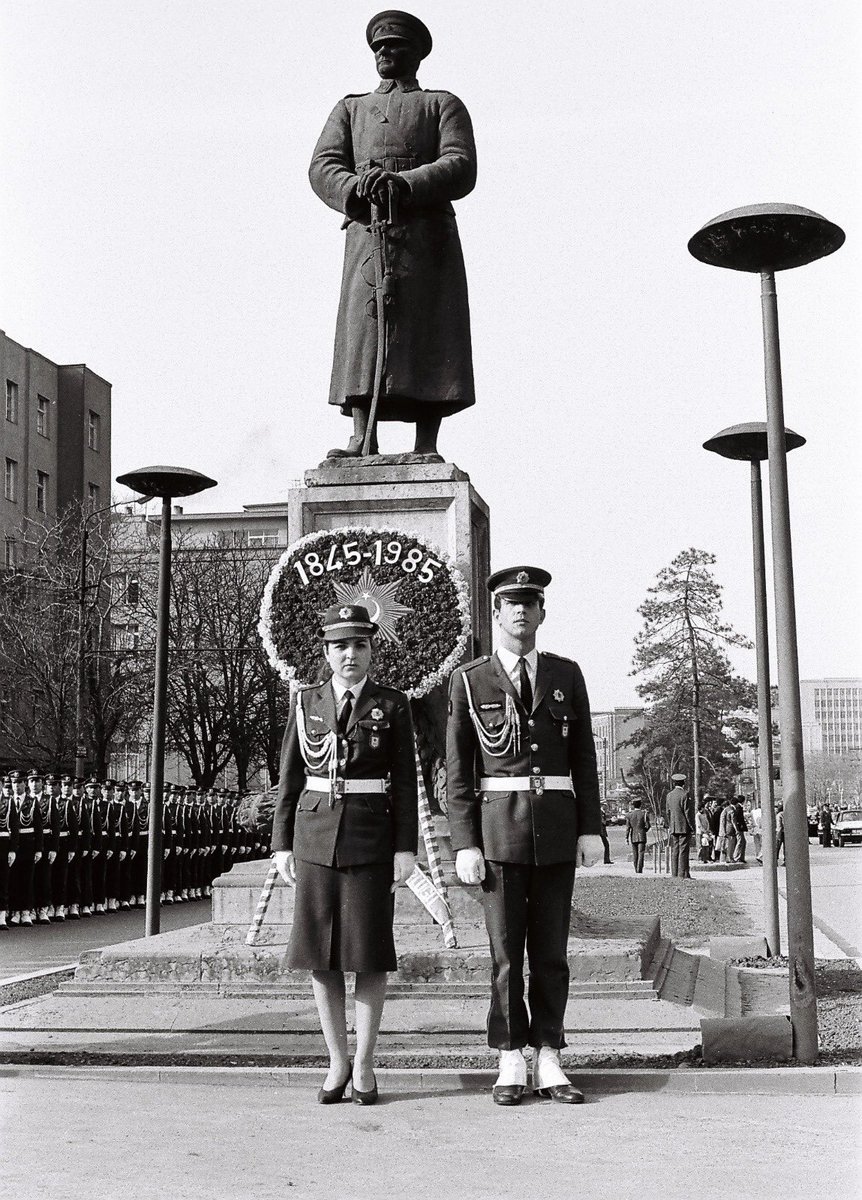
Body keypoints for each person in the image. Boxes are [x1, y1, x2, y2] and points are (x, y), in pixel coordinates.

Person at [447, 566, 603, 1107]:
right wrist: (464, 840)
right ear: (495, 613)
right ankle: (511, 1055)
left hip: (557, 830)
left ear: (542, 612)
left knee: (553, 952)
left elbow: (584, 756)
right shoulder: (470, 680)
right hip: (498, 832)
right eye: (510, 603)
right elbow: (460, 770)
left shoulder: (567, 674)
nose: (520, 611)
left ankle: (551, 1055)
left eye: (530, 602)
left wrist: (592, 828)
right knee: (507, 953)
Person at [310, 10, 476, 459]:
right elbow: (323, 165)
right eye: (379, 47)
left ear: (416, 54)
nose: (384, 52)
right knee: (364, 331)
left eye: (395, 45)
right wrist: (353, 188)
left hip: (426, 238)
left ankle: (426, 443)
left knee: (429, 330)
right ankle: (363, 438)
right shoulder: (351, 108)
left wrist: (406, 183)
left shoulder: (442, 104)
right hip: (369, 234)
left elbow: (460, 164)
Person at [272, 603, 418, 1106]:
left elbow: (405, 783)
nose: (349, 654)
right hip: (314, 837)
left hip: (370, 840)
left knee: (368, 954)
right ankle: (336, 1061)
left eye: (359, 644)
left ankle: (365, 1063)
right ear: (327, 652)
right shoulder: (306, 701)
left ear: (372, 649)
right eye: (340, 646)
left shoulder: (392, 705)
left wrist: (406, 847)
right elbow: (290, 777)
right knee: (321, 957)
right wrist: (281, 843)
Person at [665, 774, 693, 879]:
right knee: (683, 851)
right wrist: (691, 827)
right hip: (684, 827)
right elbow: (687, 813)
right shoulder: (685, 794)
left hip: (673, 826)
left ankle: (675, 874)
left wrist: (670, 824)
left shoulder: (669, 795)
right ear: (683, 783)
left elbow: (667, 812)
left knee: (675, 850)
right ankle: (682, 874)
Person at [625, 799, 650, 873]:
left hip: (633, 836)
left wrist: (626, 838)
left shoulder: (629, 815)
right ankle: (640, 869)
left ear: (633, 805)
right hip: (642, 835)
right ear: (640, 805)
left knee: (635, 854)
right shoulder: (644, 814)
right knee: (641, 853)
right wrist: (644, 830)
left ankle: (636, 869)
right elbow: (648, 825)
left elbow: (628, 827)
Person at [732, 795, 748, 863]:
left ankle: (741, 857)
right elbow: (738, 818)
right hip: (739, 828)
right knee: (740, 842)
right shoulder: (738, 808)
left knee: (743, 842)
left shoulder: (738, 807)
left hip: (740, 827)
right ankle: (737, 857)